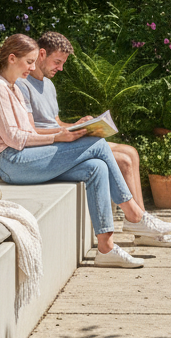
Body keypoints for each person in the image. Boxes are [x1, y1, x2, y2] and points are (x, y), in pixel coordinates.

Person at [0, 34, 171, 269]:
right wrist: (58, 137)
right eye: (29, 62)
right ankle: (135, 215)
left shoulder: (12, 89)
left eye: (34, 62)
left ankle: (106, 248)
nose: (33, 68)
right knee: (98, 145)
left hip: (24, 158)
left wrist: (68, 133)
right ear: (12, 59)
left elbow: (27, 131)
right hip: (12, 162)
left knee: (97, 168)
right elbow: (15, 139)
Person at [16, 31, 146, 211]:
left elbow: (57, 123)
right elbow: (30, 130)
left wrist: (77, 125)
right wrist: (64, 133)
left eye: (63, 63)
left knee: (131, 152)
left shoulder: (49, 85)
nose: (60, 68)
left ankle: (142, 216)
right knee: (123, 160)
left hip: (63, 138)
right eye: (57, 62)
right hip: (49, 146)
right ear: (42, 54)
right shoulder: (22, 84)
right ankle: (138, 217)